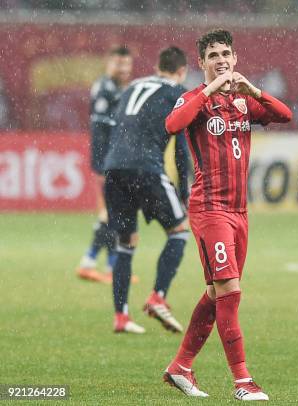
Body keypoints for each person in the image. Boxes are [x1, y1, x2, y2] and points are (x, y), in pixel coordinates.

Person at [162, 29, 292, 401]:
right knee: (230, 292)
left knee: (215, 293)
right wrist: (209, 89)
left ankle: (180, 367)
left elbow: (285, 115)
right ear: (201, 63)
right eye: (213, 55)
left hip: (239, 212)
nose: (221, 60)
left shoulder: (242, 102)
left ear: (235, 59)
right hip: (210, 210)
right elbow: (172, 125)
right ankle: (242, 381)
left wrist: (253, 91)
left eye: (226, 54)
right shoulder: (194, 99)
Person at [104, 46, 191, 334]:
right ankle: (158, 297)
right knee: (179, 232)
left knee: (125, 243)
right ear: (182, 71)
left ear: (156, 66)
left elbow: (117, 126)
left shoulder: (133, 86)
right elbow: (181, 149)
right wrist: (184, 192)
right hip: (147, 168)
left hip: (114, 168)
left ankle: (121, 317)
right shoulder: (178, 93)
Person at [76, 46, 133, 283]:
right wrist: (105, 163)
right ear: (109, 64)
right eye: (118, 64)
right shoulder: (105, 88)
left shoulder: (120, 89)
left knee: (111, 213)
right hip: (106, 160)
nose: (123, 69)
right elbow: (100, 127)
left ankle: (111, 267)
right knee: (109, 212)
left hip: (114, 159)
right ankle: (88, 262)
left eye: (126, 65)